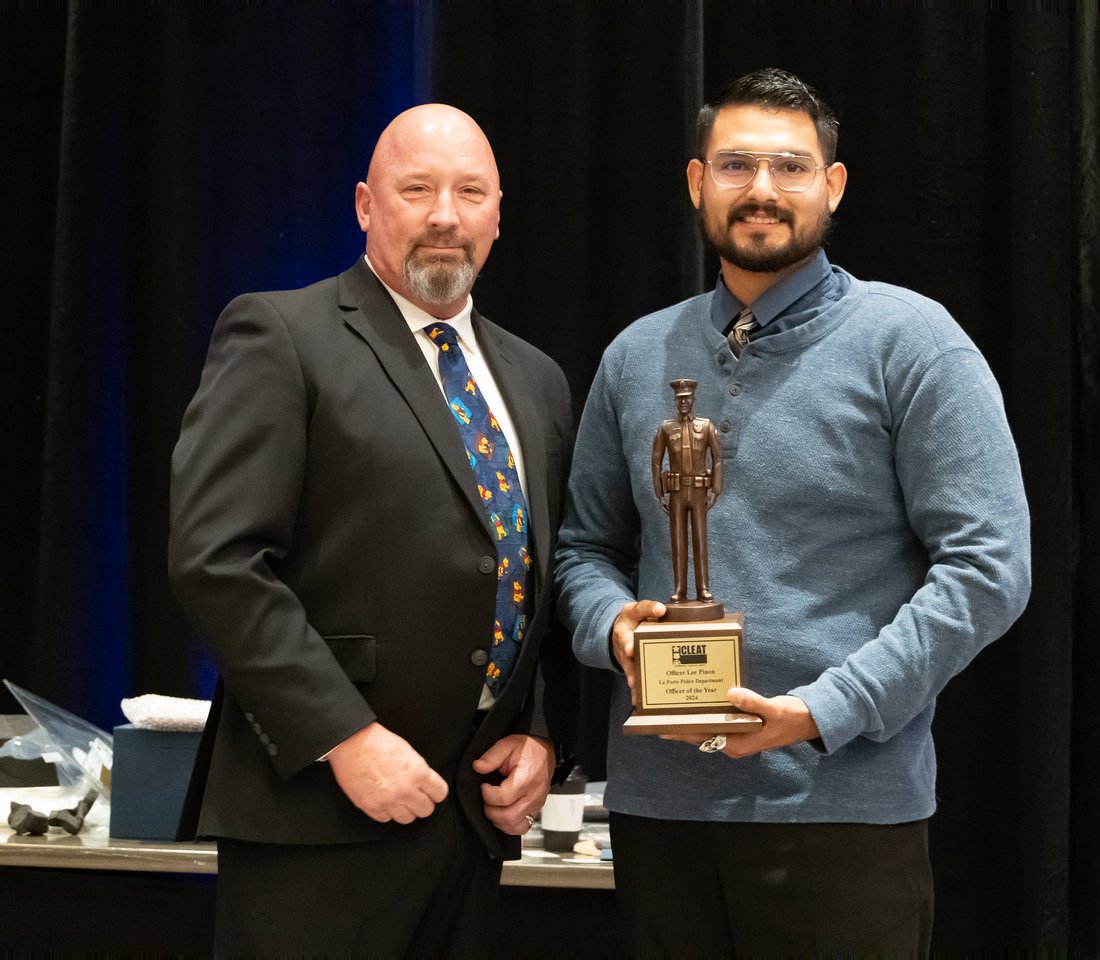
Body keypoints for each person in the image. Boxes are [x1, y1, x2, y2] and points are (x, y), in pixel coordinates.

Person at [556, 68, 1031, 955]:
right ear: (698, 182)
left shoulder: (913, 342)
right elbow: (583, 548)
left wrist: (825, 710)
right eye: (736, 165)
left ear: (832, 186)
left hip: (841, 812)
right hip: (660, 814)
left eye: (791, 167)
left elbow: (989, 568)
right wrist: (612, 625)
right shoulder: (635, 356)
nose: (762, 190)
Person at [169, 104, 574, 956]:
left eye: (470, 193)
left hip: (469, 824)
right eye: (416, 189)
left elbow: (528, 579)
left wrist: (539, 733)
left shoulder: (537, 379)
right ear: (364, 204)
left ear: (498, 215)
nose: (444, 215)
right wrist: (344, 738)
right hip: (317, 818)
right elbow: (218, 560)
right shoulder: (281, 334)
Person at [651, 378, 723, 604]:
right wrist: (659, 493)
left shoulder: (706, 426)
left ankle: (703, 588)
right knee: (678, 541)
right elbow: (656, 460)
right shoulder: (666, 428)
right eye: (679, 399)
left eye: (687, 398)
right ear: (675, 400)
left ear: (693, 399)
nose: (683, 402)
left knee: (700, 540)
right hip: (677, 492)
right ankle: (680, 589)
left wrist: (716, 490)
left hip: (699, 491)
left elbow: (718, 458)